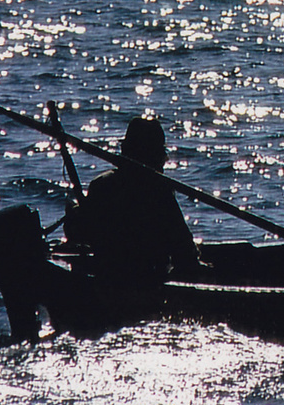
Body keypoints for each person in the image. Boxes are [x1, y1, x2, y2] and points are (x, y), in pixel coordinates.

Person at [65, 115, 201, 285]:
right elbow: (183, 250)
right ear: (156, 155)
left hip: (109, 276)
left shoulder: (101, 185)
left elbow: (80, 233)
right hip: (147, 278)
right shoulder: (158, 190)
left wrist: (74, 212)